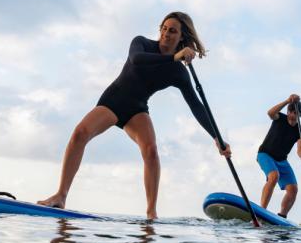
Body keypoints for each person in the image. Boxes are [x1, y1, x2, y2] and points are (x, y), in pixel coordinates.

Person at [38, 12, 231, 220]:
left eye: (172, 31)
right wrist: (174, 56)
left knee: (151, 151)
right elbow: (137, 60)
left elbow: (197, 106)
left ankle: (151, 213)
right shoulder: (142, 44)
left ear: (182, 37)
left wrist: (217, 138)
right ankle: (61, 195)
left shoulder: (179, 73)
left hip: (137, 110)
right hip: (113, 101)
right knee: (80, 133)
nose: (166, 34)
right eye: (164, 28)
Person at [256, 94, 301, 218]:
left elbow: (300, 149)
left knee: (293, 189)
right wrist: (287, 100)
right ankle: (262, 211)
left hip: (281, 160)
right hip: (265, 154)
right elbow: (270, 112)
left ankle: (282, 216)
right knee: (274, 176)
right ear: (288, 111)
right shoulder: (279, 118)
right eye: (293, 112)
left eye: (298, 113)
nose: (295, 115)